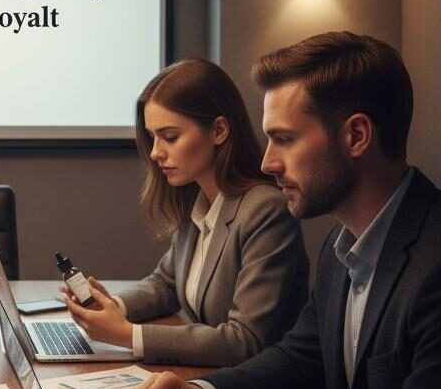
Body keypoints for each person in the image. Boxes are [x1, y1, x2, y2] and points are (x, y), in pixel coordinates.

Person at [128, 33, 441, 389]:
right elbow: (299, 359)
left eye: (286, 139)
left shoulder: (433, 265)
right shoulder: (346, 244)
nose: (269, 162)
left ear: (356, 136)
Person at [63, 59, 308, 365]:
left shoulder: (265, 211)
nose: (155, 153)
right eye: (153, 137)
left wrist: (128, 334)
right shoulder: (199, 201)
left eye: (170, 137)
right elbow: (165, 284)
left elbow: (244, 340)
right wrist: (112, 307)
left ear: (218, 131)